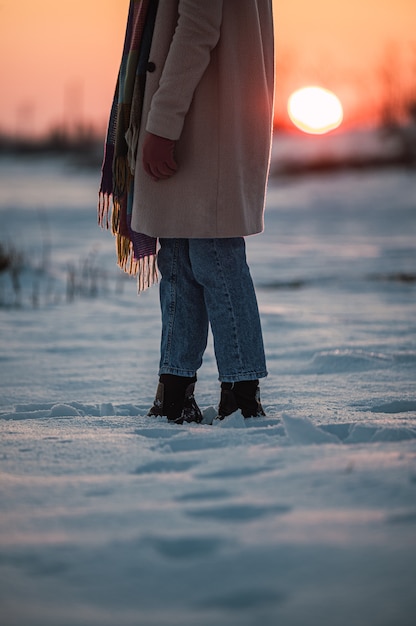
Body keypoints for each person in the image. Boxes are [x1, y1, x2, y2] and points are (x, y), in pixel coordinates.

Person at [99, 0, 275, 424]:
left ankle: (241, 394)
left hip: (198, 118)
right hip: (196, 116)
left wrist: (162, 121)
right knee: (177, 256)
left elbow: (197, 26)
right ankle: (175, 391)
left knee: (215, 255)